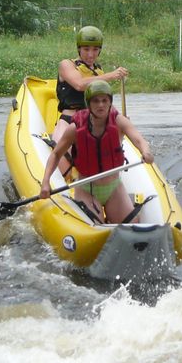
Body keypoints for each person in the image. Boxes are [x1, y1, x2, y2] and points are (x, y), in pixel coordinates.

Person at [40, 80, 153, 224]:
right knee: (95, 226)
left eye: (104, 100)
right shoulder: (75, 128)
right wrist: (45, 183)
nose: (101, 105)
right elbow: (56, 154)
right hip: (87, 189)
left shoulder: (119, 121)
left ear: (110, 102)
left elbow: (138, 139)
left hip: (114, 187)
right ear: (89, 103)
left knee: (131, 226)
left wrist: (146, 151)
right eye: (96, 101)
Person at [52, 26, 128, 176]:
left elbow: (104, 103)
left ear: (100, 50)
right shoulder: (66, 65)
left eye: (95, 49)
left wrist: (119, 119)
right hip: (69, 121)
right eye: (86, 49)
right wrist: (111, 76)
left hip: (94, 123)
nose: (90, 54)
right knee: (62, 160)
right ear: (79, 49)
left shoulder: (99, 72)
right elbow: (79, 84)